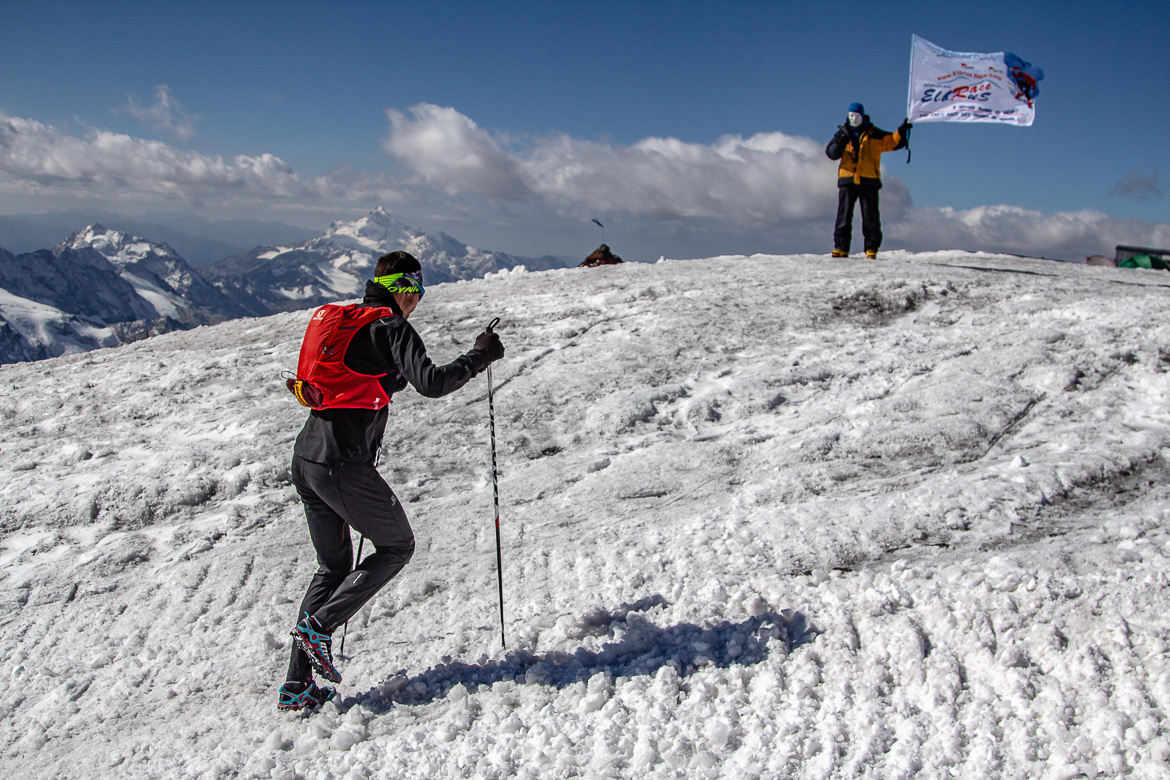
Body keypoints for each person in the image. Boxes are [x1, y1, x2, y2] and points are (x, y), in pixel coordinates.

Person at [277, 250, 504, 711]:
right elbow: (433, 383)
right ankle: (318, 628)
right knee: (398, 546)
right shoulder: (392, 327)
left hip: (308, 460)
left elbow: (363, 376)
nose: (418, 301)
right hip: (343, 465)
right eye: (416, 291)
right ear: (403, 288)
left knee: (332, 569)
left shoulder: (349, 320)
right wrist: (480, 356)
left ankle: (296, 686)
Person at [825, 102, 911, 259]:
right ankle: (841, 247)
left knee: (870, 216)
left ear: (862, 116)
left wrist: (902, 130)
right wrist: (840, 142)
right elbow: (831, 153)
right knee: (843, 215)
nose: (853, 118)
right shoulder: (842, 134)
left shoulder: (874, 134)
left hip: (868, 179)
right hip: (848, 179)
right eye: (851, 115)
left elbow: (892, 141)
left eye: (856, 116)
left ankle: (871, 249)